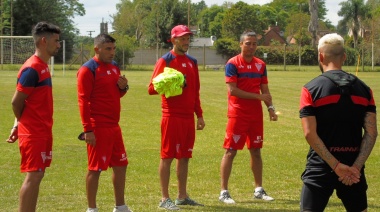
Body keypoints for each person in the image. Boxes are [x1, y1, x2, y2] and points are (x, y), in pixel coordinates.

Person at [299, 33, 377, 211]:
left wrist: (335, 166)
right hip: (353, 170)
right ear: (344, 56)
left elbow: (310, 133)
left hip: (320, 167)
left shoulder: (310, 89)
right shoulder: (365, 90)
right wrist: (355, 167)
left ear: (320, 56)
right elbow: (372, 133)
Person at [148, 24, 206, 210]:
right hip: (171, 116)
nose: (186, 41)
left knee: (185, 156)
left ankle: (182, 196)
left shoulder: (192, 62)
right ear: (173, 40)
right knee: (167, 156)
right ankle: (165, 199)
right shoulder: (165, 61)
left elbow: (195, 91)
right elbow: (151, 89)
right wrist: (172, 81)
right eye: (182, 38)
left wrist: (199, 115)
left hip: (188, 117)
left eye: (188, 38)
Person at [6, 21, 61, 212]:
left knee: (38, 175)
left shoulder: (42, 66)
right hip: (33, 133)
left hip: (42, 131)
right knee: (33, 176)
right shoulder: (32, 68)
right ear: (44, 41)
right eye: (56, 41)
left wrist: (16, 125)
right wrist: (22, 125)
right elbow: (16, 102)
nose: (59, 45)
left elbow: (27, 101)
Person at [219, 30, 278, 204]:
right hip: (238, 114)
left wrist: (271, 108)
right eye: (248, 43)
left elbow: (265, 90)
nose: (251, 46)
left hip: (255, 115)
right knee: (231, 151)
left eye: (254, 43)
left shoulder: (261, 65)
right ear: (241, 44)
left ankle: (258, 189)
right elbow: (233, 90)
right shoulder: (232, 63)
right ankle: (224, 191)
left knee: (256, 150)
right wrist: (258, 97)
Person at [77, 33, 132, 212]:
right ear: (97, 49)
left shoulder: (115, 67)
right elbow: (83, 101)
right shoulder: (88, 69)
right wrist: (88, 130)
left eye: (114, 49)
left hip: (114, 126)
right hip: (98, 127)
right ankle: (92, 209)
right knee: (95, 168)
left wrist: (123, 88)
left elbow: (116, 94)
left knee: (121, 165)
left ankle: (120, 206)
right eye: (108, 49)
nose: (112, 52)